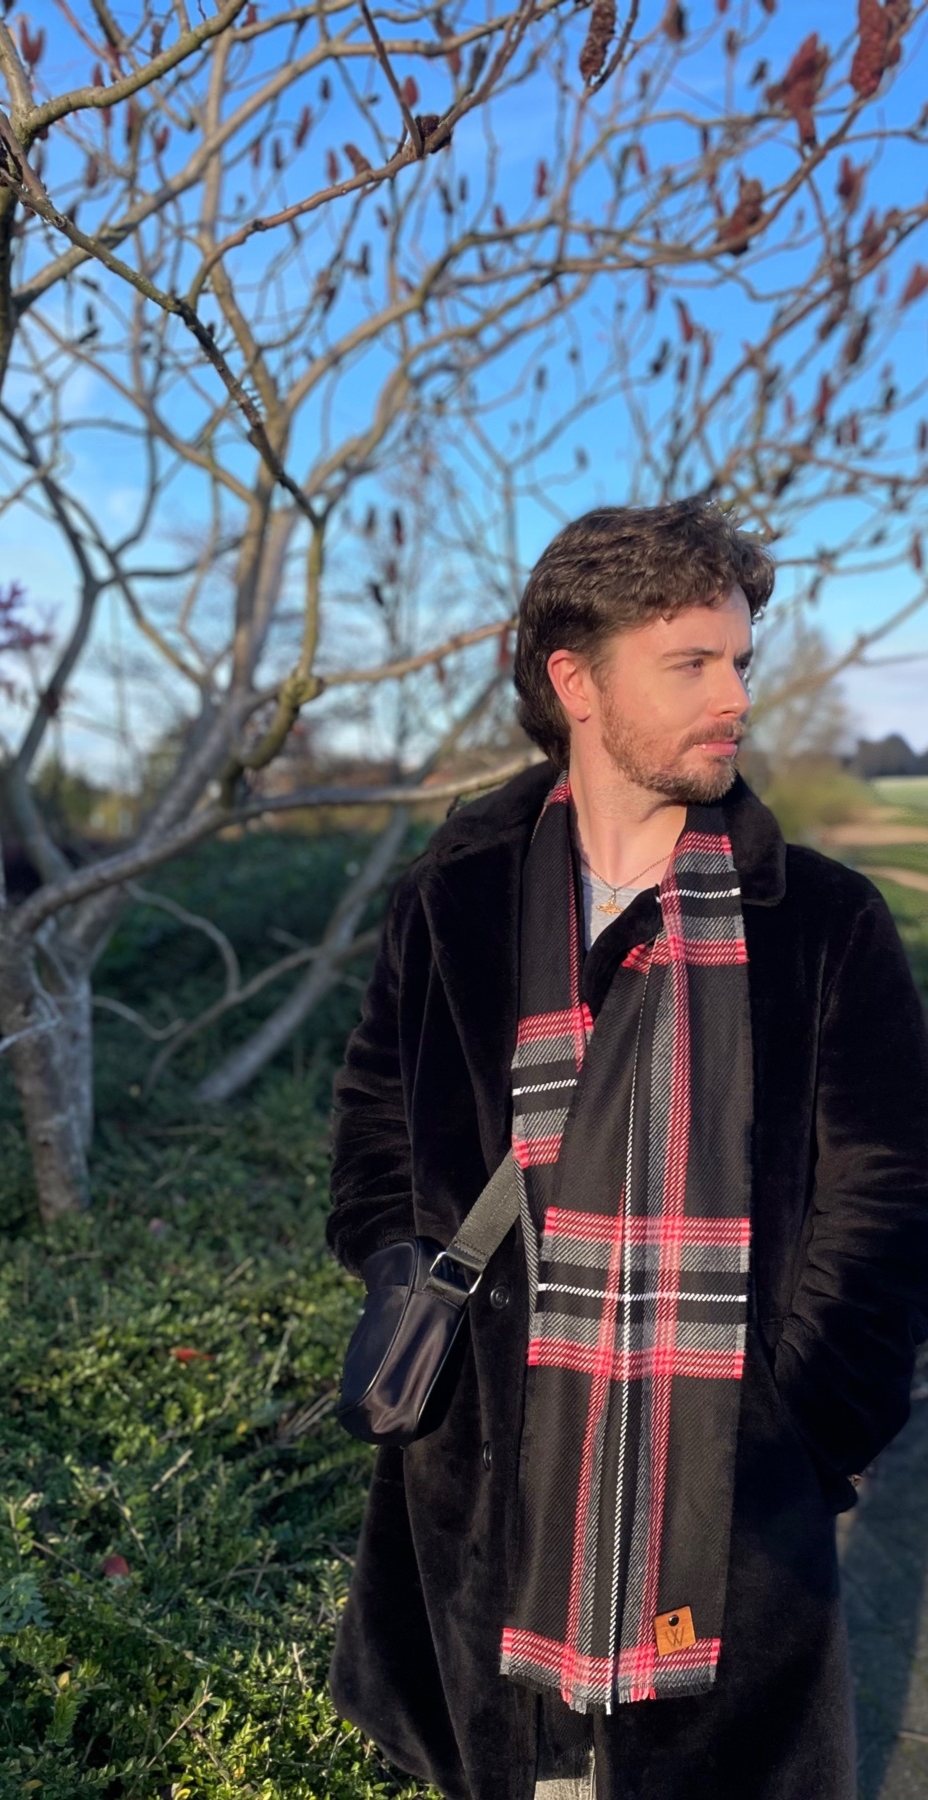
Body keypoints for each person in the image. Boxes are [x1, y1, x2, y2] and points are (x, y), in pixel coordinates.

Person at [325, 499, 928, 1800]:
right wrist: (403, 1280)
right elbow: (375, 1131)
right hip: (482, 1489)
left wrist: (799, 1428)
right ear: (574, 681)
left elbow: (883, 1207)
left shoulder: (823, 924)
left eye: (740, 661)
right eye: (690, 663)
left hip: (731, 1497)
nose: (736, 696)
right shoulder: (453, 903)